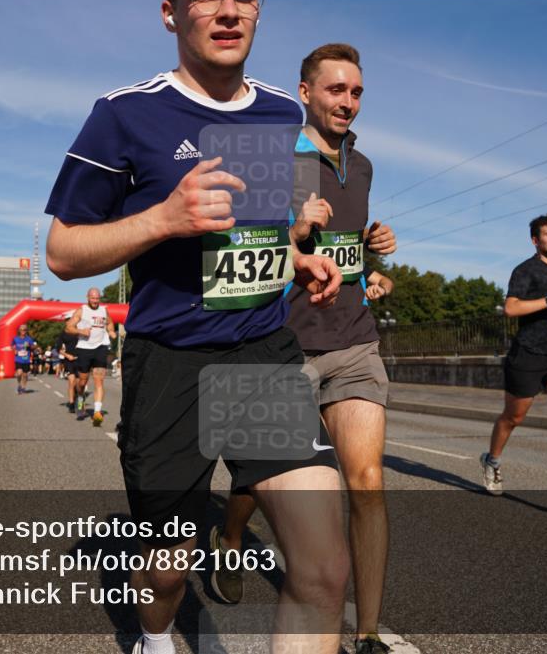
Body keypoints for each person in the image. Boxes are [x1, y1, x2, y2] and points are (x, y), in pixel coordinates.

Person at [44, 0, 349, 652]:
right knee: (166, 572)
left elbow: (258, 228)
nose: (228, 10)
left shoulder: (277, 111)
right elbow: (63, 251)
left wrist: (297, 260)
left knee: (324, 569)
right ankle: (154, 639)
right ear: (170, 12)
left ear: (260, 9)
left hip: (260, 355)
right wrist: (162, 219)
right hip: (171, 363)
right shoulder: (125, 114)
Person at [209, 43, 397, 654]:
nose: (348, 100)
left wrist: (372, 257)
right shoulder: (271, 160)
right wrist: (292, 235)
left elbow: (346, 250)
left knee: (365, 481)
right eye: (336, 89)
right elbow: (235, 258)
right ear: (305, 93)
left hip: (352, 339)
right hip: (282, 345)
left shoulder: (362, 166)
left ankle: (366, 634)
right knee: (255, 483)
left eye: (357, 91)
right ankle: (233, 540)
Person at [480, 213, 547, 509]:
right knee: (513, 417)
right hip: (527, 353)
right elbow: (511, 308)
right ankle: (492, 460)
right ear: (535, 240)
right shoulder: (524, 270)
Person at [68, 288, 117, 424]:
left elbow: (110, 323)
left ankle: (97, 412)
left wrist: (111, 331)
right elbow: (68, 327)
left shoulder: (104, 310)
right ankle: (80, 397)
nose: (95, 301)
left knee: (99, 380)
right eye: (92, 298)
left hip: (100, 347)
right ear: (87, 297)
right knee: (82, 382)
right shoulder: (81, 310)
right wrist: (80, 331)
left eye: (97, 298)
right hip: (85, 348)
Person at [59, 323, 81, 413]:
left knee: (80, 385)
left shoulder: (81, 332)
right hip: (69, 361)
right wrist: (67, 355)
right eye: (68, 321)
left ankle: (80, 404)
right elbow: (58, 348)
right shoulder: (63, 334)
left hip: (81, 360)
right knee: (71, 382)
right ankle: (72, 404)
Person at [11, 324, 36, 394]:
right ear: (19, 331)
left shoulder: (29, 339)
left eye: (24, 330)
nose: (23, 331)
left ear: (26, 331)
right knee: (19, 373)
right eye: (21, 330)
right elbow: (12, 345)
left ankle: (24, 387)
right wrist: (14, 350)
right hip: (18, 359)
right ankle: (19, 385)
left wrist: (30, 346)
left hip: (26, 359)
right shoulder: (15, 338)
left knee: (25, 375)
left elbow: (34, 347)